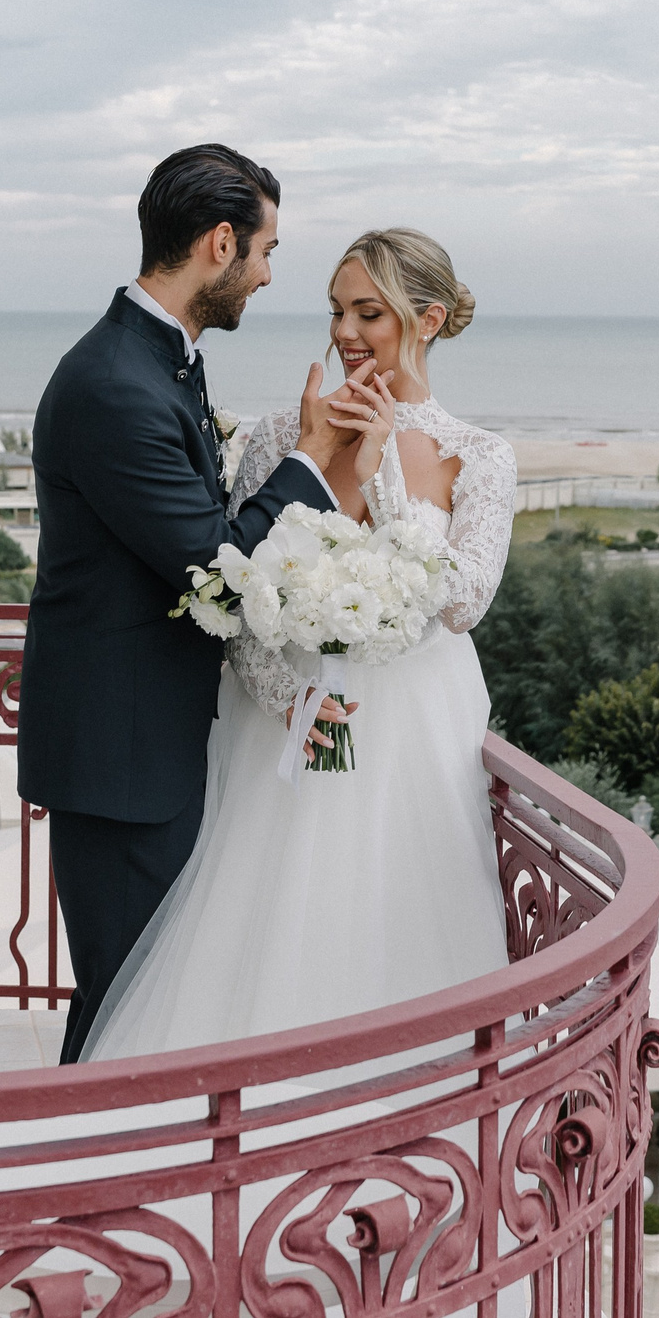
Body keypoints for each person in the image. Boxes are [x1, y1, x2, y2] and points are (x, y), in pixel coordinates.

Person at [77, 227, 517, 1063]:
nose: (347, 332)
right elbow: (233, 592)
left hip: (412, 753)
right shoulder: (284, 435)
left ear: (425, 320)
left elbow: (462, 602)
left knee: (400, 949)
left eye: (370, 313)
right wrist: (291, 701)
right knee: (266, 947)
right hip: (284, 740)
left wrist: (383, 467)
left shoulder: (482, 458)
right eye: (337, 311)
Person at [16, 144, 355, 1065]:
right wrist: (311, 461)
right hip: (120, 758)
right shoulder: (119, 385)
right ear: (218, 244)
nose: (268, 274)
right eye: (265, 250)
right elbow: (214, 571)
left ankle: (103, 1187)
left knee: (144, 1001)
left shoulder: (158, 361)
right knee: (127, 1009)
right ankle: (87, 1189)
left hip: (140, 742)